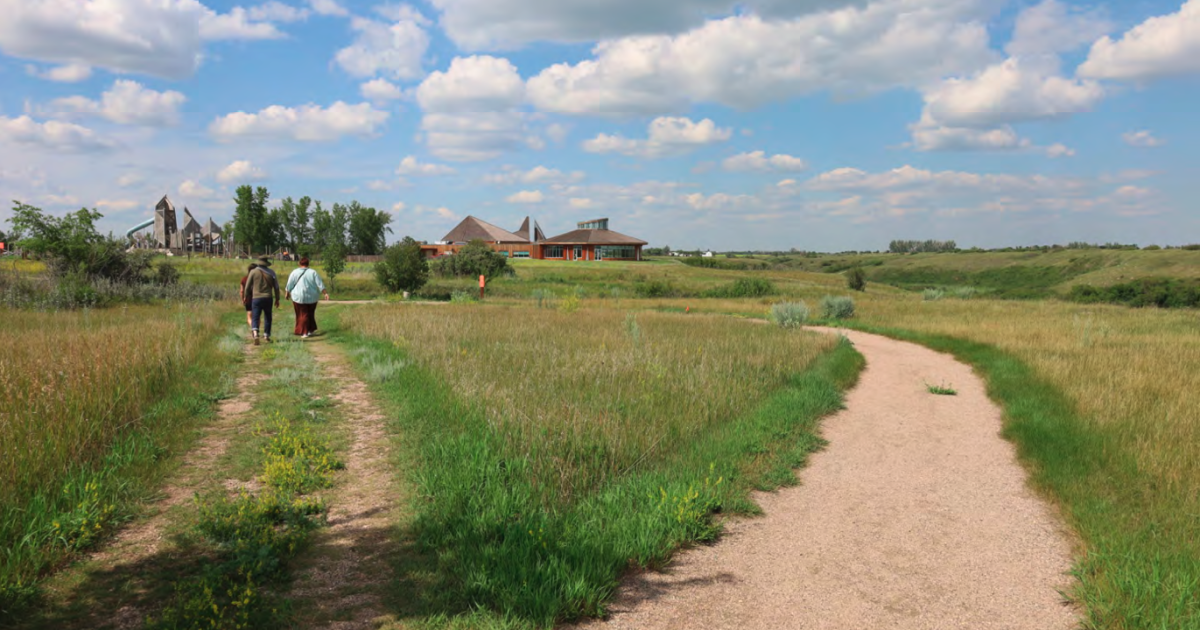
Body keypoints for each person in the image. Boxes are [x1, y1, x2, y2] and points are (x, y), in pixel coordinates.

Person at [284, 257, 330, 338]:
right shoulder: (313, 272)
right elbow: (320, 284)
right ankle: (309, 330)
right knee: (310, 314)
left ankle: (304, 332)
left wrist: (287, 293)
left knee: (302, 314)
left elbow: (289, 284)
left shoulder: (294, 272)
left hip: (298, 297)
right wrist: (325, 293)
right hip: (312, 297)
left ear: (299, 263)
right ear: (308, 264)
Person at [245, 255, 280, 345]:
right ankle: (266, 335)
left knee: (255, 316)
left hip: (256, 298)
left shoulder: (253, 272)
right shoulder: (272, 273)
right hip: (268, 298)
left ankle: (256, 334)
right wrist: (277, 298)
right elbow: (276, 287)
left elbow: (247, 286)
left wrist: (246, 296)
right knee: (268, 317)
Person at [239, 263, 257, 332]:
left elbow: (241, 291)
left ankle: (253, 328)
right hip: (257, 298)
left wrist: (243, 299)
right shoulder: (258, 279)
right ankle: (256, 329)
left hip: (248, 299)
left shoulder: (244, 279)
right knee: (257, 316)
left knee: (249, 316)